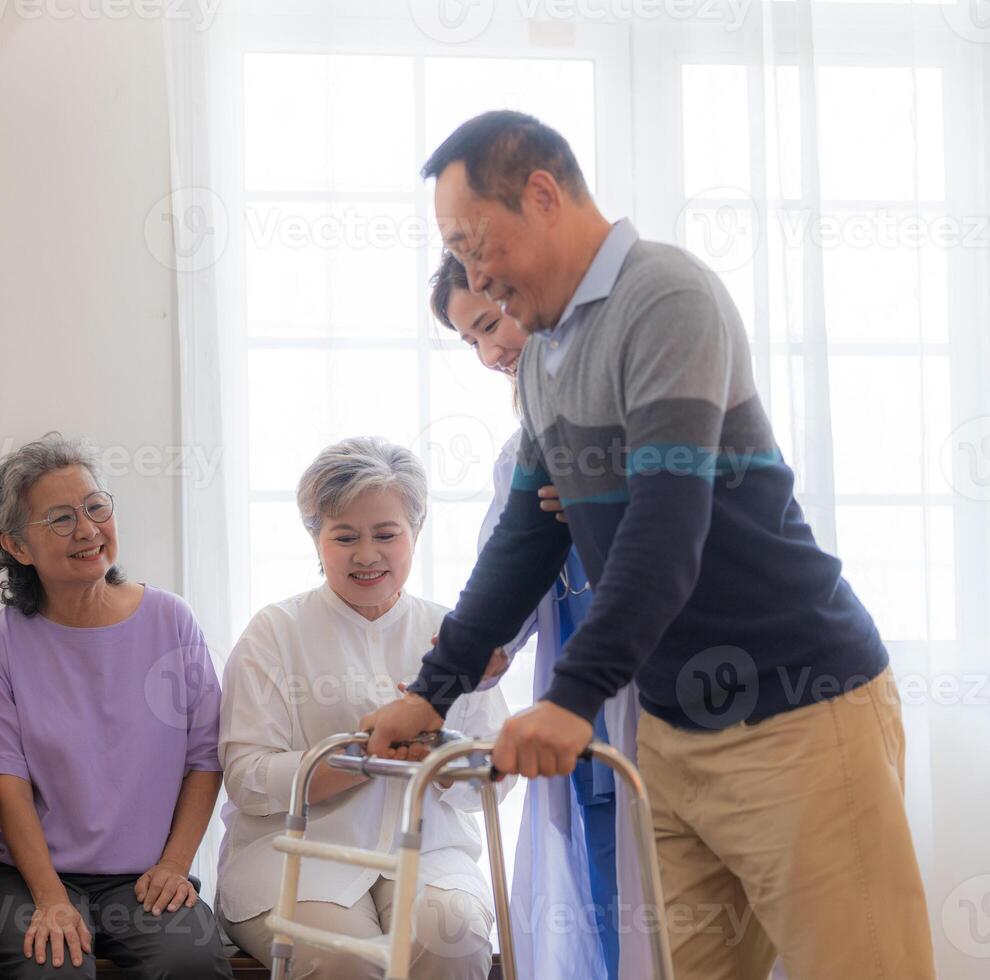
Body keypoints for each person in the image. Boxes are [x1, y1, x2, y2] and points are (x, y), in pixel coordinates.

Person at [363, 110, 935, 979]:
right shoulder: (549, 355)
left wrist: (573, 696)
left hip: (801, 715)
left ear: (544, 196)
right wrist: (433, 688)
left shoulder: (665, 298)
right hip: (675, 733)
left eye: (476, 244)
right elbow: (526, 536)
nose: (474, 274)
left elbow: (669, 526)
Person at [218, 437, 511, 980]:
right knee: (344, 959)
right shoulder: (275, 633)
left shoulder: (457, 635)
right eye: (345, 537)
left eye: (386, 534)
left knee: (453, 934)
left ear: (415, 534)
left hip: (430, 851)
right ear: (315, 539)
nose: (367, 555)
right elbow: (247, 779)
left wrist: (436, 759)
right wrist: (359, 756)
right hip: (297, 854)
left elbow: (493, 778)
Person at [431, 253, 641, 979]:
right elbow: (504, 580)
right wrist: (466, 662)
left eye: (492, 324)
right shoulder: (520, 457)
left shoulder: (638, 417)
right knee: (604, 895)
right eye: (472, 342)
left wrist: (600, 502)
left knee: (687, 909)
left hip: (656, 697)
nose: (491, 353)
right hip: (579, 721)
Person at [0, 434, 232, 980]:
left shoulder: (170, 620)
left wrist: (176, 865)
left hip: (142, 873)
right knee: (52, 967)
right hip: (21, 872)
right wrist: (50, 897)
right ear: (15, 546)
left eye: (96, 507)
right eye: (59, 519)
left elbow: (205, 757)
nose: (87, 530)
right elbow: (7, 786)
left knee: (193, 963)